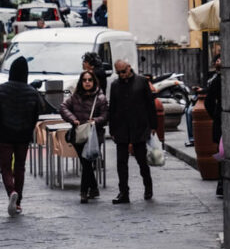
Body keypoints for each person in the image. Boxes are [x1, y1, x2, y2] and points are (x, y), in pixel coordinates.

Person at [0, 55, 42, 216]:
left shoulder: (2, 89)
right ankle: (18, 203)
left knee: (5, 167)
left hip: (5, 134)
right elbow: (35, 116)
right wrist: (29, 131)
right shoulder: (32, 92)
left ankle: (11, 192)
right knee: (20, 167)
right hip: (23, 136)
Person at [108, 59, 158, 204]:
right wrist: (112, 128)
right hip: (122, 128)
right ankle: (123, 192)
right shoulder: (115, 85)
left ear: (129, 68)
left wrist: (153, 125)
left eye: (123, 71)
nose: (122, 75)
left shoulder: (141, 82)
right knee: (121, 163)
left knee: (142, 160)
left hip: (139, 127)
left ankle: (148, 186)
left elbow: (150, 104)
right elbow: (113, 109)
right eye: (118, 73)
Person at [60, 69, 109, 202]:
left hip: (94, 135)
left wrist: (95, 121)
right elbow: (63, 107)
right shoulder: (75, 96)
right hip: (79, 134)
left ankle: (83, 192)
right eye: (84, 80)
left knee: (86, 162)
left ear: (94, 81)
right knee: (85, 163)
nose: (87, 82)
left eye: (90, 80)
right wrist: (73, 119)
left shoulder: (100, 98)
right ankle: (93, 188)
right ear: (81, 82)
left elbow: (105, 116)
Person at [205, 53, 223, 197]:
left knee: (221, 152)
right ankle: (221, 182)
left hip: (220, 120)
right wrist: (216, 115)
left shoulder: (218, 79)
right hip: (221, 121)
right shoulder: (217, 80)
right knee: (220, 152)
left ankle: (222, 182)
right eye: (217, 59)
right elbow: (208, 102)